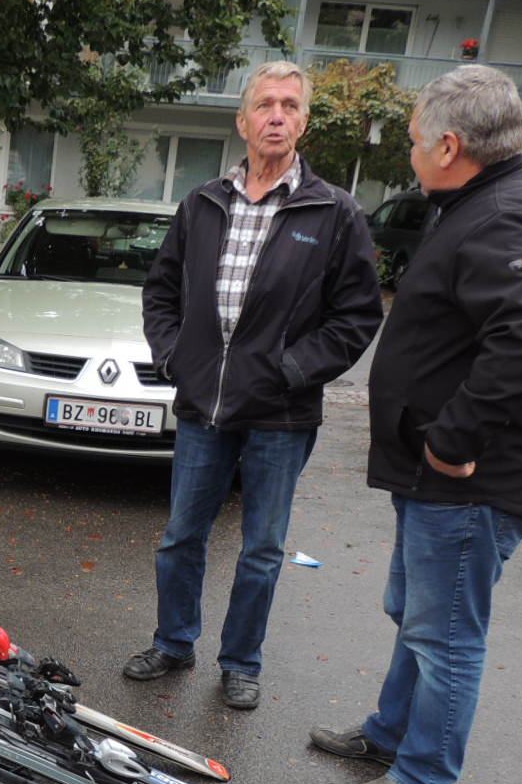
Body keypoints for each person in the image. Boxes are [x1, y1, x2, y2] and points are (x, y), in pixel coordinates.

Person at [310, 65, 522, 784]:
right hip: (440, 475)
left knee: (445, 635)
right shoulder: (481, 204)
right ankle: (391, 734)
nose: (412, 153)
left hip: (469, 480)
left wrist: (452, 442)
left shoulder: (502, 215)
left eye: (415, 141)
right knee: (418, 615)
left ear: (451, 145)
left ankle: (423, 779)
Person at [129, 61, 383, 710]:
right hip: (203, 406)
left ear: (304, 122)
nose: (277, 116)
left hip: (281, 412)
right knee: (182, 537)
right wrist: (174, 357)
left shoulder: (333, 211)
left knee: (262, 549)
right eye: (266, 104)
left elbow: (357, 316)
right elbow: (161, 290)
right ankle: (173, 641)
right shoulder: (203, 203)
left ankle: (241, 661)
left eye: (290, 106)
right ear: (243, 122)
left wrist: (291, 370)